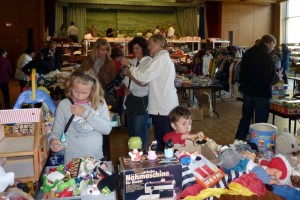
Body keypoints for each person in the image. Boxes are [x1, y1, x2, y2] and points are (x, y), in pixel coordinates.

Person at [122, 34, 179, 152]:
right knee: (163, 138)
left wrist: (129, 66)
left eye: (151, 44)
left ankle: (165, 165)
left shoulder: (160, 60)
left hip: (163, 107)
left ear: (158, 44)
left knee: (164, 140)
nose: (149, 48)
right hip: (163, 105)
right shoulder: (161, 59)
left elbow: (143, 77)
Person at [48, 68, 112, 164]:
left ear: (93, 89)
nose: (80, 96)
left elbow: (107, 129)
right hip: (71, 159)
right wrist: (53, 141)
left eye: (85, 93)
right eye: (76, 91)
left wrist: (85, 113)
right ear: (70, 87)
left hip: (95, 157)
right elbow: (56, 131)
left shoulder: (99, 103)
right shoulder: (64, 105)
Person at [235, 34, 279, 141]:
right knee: (260, 122)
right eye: (273, 45)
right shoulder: (268, 57)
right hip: (262, 94)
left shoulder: (248, 53)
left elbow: (241, 73)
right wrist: (278, 77)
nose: (273, 48)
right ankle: (257, 145)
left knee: (246, 118)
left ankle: (239, 140)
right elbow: (271, 78)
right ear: (270, 44)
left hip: (248, 92)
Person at [121, 37, 152, 150]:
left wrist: (129, 74)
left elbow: (143, 82)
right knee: (132, 132)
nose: (135, 51)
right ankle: (133, 155)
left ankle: (142, 154)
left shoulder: (148, 62)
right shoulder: (133, 61)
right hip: (130, 99)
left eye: (137, 48)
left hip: (142, 100)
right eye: (133, 48)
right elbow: (126, 80)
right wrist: (126, 87)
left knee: (140, 132)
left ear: (143, 48)